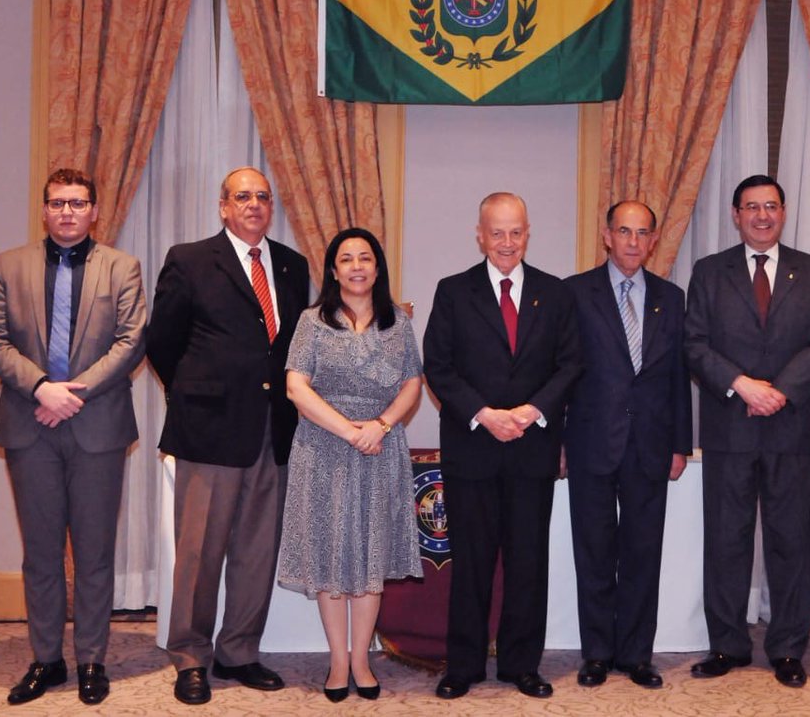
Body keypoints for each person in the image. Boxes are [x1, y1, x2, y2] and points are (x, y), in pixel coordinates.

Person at [0, 168, 146, 706]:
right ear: (44, 210)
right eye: (57, 203)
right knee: (41, 554)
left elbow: (131, 341)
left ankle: (92, 659)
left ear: (94, 210)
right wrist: (42, 389)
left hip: (97, 427)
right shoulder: (10, 264)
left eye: (78, 203)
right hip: (30, 427)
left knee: (95, 553)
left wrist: (72, 393)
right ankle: (46, 659)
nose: (67, 212)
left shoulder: (123, 267)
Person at [147, 167, 310, 706]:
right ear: (223, 206)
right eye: (243, 197)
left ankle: (239, 651)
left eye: (263, 196)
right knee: (199, 551)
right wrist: (198, 393)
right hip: (209, 428)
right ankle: (191, 654)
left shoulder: (291, 264)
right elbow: (163, 344)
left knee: (256, 550)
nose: (254, 205)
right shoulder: (190, 260)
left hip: (274, 428)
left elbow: (290, 349)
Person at [423, 192, 581, 700]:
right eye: (497, 232)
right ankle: (463, 666)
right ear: (480, 234)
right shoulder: (453, 291)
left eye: (516, 232)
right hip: (474, 449)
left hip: (532, 449)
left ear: (528, 233)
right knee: (468, 563)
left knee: (527, 562)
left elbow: (570, 365)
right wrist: (485, 415)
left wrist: (531, 412)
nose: (507, 242)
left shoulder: (555, 294)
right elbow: (439, 366)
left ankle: (521, 664)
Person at [684, 174, 810, 688]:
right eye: (751, 206)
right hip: (729, 427)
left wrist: (777, 392)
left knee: (789, 540)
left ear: (784, 211)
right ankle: (727, 645)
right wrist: (743, 386)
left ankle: (788, 647)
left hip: (790, 427)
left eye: (770, 205)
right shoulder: (708, 272)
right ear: (735, 214)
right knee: (726, 541)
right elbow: (695, 344)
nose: (762, 215)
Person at [277, 229, 424, 702]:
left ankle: (362, 659)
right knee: (330, 554)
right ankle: (338, 660)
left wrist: (377, 427)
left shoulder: (398, 322)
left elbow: (412, 384)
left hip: (381, 449)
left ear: (377, 268)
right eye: (347, 259)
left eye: (366, 258)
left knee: (370, 556)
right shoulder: (311, 321)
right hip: (323, 449)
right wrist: (350, 431)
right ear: (334, 269)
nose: (357, 266)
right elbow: (296, 388)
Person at [563, 200, 690, 690]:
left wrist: (681, 443)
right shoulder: (574, 293)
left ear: (653, 240)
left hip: (651, 446)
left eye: (642, 233)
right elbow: (563, 373)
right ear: (607, 235)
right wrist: (559, 442)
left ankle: (637, 654)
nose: (633, 241)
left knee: (642, 553)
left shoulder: (671, 297)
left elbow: (678, 376)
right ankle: (596, 653)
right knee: (593, 552)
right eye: (624, 231)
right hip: (591, 441)